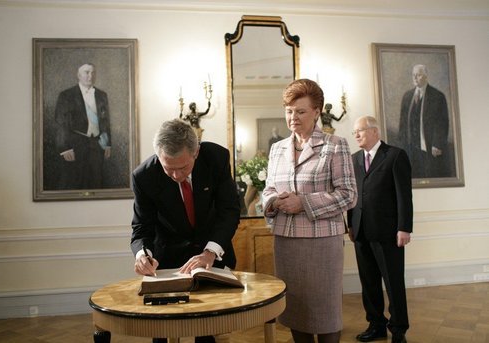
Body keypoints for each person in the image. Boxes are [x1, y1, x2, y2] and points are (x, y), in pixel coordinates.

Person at [262, 79, 357, 343]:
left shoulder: (335, 145)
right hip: (286, 243)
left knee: (325, 314)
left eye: (301, 111)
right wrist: (273, 201)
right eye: (289, 111)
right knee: (296, 312)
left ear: (317, 111)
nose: (293, 117)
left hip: (322, 244)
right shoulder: (277, 149)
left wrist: (303, 202)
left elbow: (348, 196)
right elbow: (268, 188)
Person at [130, 119, 240, 343]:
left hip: (211, 257)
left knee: (208, 331)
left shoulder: (215, 158)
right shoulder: (144, 176)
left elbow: (228, 210)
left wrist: (210, 252)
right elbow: (142, 227)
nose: (176, 176)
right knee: (164, 333)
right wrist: (143, 255)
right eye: (168, 168)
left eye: (183, 168)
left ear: (196, 152)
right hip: (168, 264)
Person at [347, 116, 413, 343]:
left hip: (388, 233)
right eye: (354, 131)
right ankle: (376, 325)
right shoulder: (354, 159)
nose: (356, 135)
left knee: (393, 283)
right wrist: (350, 224)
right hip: (360, 232)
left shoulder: (395, 156)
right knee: (369, 283)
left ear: (375, 131)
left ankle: (398, 330)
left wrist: (404, 228)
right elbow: (351, 194)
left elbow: (404, 196)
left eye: (360, 131)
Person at [54, 63, 111, 189]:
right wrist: (65, 148)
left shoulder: (102, 95)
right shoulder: (66, 95)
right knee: (75, 181)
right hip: (75, 146)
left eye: (93, 73)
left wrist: (107, 143)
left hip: (96, 145)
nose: (90, 76)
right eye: (86, 72)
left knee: (96, 181)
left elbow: (105, 122)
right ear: (78, 75)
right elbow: (61, 123)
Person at [398, 64, 449, 178]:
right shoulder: (407, 96)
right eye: (413, 75)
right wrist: (401, 147)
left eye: (419, 75)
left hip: (429, 147)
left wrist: (437, 144)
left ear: (426, 77)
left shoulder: (437, 96)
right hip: (410, 148)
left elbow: (442, 123)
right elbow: (402, 124)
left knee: (429, 174)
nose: (415, 78)